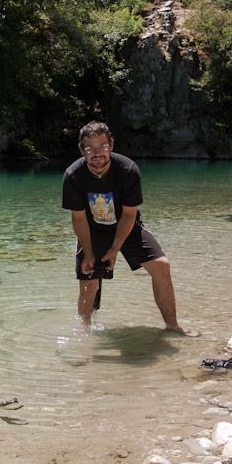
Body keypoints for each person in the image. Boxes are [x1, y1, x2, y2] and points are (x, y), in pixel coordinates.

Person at [61, 121, 193, 335]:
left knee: (162, 265)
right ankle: (84, 334)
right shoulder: (73, 175)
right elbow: (78, 218)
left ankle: (172, 326)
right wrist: (89, 252)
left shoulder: (128, 170)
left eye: (103, 146)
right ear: (81, 150)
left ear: (111, 145)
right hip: (92, 230)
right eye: (90, 148)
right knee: (89, 282)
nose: (97, 153)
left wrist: (114, 250)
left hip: (127, 226)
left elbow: (130, 214)